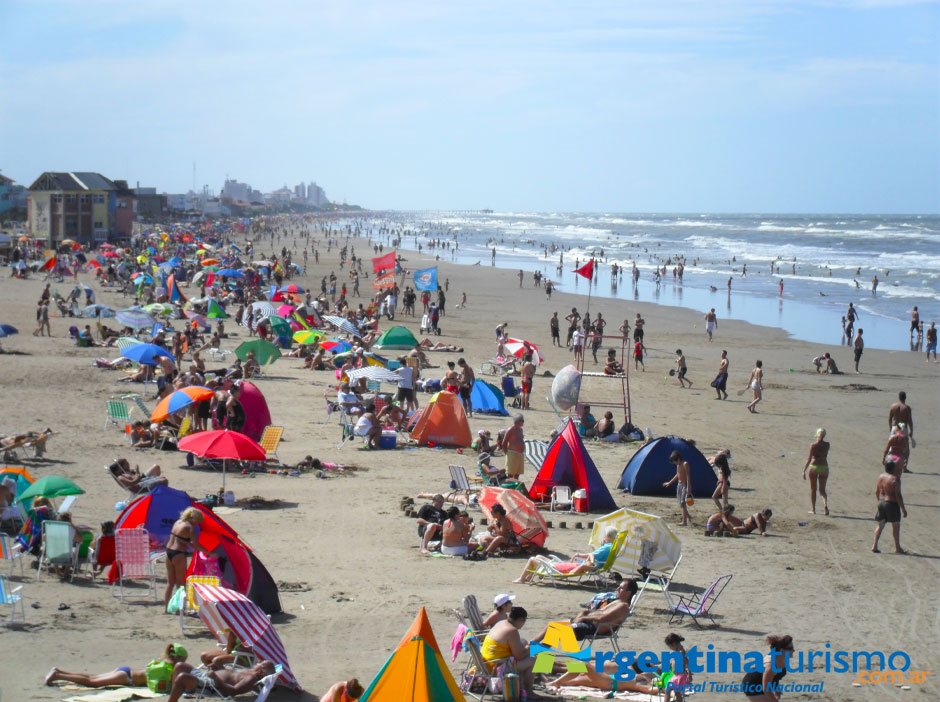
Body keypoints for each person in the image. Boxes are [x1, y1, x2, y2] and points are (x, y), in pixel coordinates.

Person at [532, 578, 638, 645]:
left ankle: (537, 659)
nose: (617, 589)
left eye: (621, 588)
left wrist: (583, 618)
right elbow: (599, 612)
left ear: (628, 593)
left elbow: (602, 618)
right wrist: (584, 613)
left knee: (556, 633)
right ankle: (531, 645)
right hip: (587, 624)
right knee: (552, 625)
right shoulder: (617, 601)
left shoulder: (623, 607)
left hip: (593, 629)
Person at [45, 643, 189, 690]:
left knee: (92, 677)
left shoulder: (161, 660)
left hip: (126, 670)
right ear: (179, 658)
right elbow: (157, 684)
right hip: (127, 677)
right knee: (92, 682)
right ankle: (58, 675)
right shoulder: (168, 668)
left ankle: (59, 671)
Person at [513, 526, 619, 583]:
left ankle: (522, 579)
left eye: (605, 535)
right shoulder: (610, 547)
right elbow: (591, 557)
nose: (604, 537)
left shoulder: (605, 548)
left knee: (533, 559)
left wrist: (588, 562)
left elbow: (591, 556)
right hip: (560, 566)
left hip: (557, 568)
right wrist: (589, 561)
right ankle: (528, 577)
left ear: (609, 537)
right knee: (538, 557)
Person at [480, 606, 536, 694]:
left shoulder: (501, 623)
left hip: (486, 662)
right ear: (521, 619)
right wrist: (532, 649)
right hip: (496, 667)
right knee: (534, 660)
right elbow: (519, 656)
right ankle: (529, 692)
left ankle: (528, 683)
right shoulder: (512, 631)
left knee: (524, 642)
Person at [165, 507, 212, 611]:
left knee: (170, 583)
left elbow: (179, 538)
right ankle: (180, 610)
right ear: (193, 518)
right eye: (197, 521)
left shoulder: (178, 522)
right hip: (179, 554)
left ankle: (165, 608)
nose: (197, 524)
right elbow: (196, 545)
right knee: (181, 584)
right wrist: (210, 553)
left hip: (168, 552)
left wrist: (187, 543)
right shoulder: (189, 527)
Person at [167, 660, 276, 702]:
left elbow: (233, 691)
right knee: (179, 665)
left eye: (260, 663)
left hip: (212, 686)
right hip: (207, 676)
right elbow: (231, 675)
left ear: (261, 672)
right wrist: (219, 667)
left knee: (182, 677)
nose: (257, 662)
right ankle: (175, 692)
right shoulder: (249, 670)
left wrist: (216, 678)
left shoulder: (250, 679)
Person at [741, 635, 794, 701]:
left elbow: (775, 676)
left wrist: (776, 688)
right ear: (781, 650)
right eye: (790, 648)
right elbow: (766, 689)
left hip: (762, 684)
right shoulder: (771, 665)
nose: (793, 650)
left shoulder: (781, 659)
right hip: (752, 686)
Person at [872, 460, 907, 554]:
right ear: (894, 468)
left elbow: (876, 491)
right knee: (895, 525)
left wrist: (879, 502)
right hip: (891, 503)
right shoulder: (895, 479)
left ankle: (874, 545)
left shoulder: (881, 477)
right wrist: (903, 509)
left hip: (881, 502)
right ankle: (897, 548)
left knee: (880, 524)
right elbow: (898, 495)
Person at [802, 428, 830, 515]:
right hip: (824, 467)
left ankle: (813, 509)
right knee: (822, 490)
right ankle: (825, 504)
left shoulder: (813, 445)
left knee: (813, 489)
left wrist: (804, 470)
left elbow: (809, 459)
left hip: (814, 467)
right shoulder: (827, 445)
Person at [663, 450, 692, 526]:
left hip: (685, 484)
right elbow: (677, 474)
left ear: (678, 459)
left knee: (683, 502)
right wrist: (669, 482)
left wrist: (688, 487)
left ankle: (684, 521)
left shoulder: (685, 464)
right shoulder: (678, 465)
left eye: (675, 462)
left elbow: (688, 476)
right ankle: (688, 516)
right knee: (680, 502)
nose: (675, 463)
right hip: (679, 485)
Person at [498, 414, 525, 480]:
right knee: (510, 474)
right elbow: (504, 442)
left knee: (517, 473)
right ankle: (510, 488)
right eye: (522, 420)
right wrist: (506, 452)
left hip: (520, 454)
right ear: (518, 421)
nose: (523, 422)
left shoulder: (520, 430)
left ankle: (515, 487)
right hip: (512, 453)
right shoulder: (510, 430)